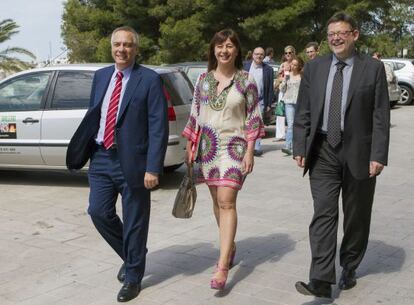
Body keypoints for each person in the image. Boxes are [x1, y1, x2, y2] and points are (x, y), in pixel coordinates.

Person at [66, 26, 168, 302]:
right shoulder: (101, 76)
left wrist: (153, 167)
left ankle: (133, 277)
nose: (122, 49)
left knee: (135, 221)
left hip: (134, 162)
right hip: (101, 157)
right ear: (111, 47)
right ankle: (134, 254)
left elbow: (158, 125)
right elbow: (95, 114)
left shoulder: (148, 79)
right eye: (117, 44)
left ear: (136, 49)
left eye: (128, 45)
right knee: (98, 212)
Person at [293, 12, 390, 299]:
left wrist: (378, 154)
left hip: (359, 151)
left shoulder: (372, 69)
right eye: (331, 33)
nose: (335, 37)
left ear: (355, 35)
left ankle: (349, 264)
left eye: (342, 32)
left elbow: (380, 115)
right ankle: (321, 278)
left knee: (356, 215)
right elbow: (304, 111)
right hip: (322, 149)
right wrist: (300, 145)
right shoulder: (314, 68)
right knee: (323, 211)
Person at [183, 29, 264, 290]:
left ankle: (222, 265)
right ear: (213, 50)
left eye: (229, 46)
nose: (224, 50)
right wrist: (191, 144)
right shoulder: (203, 80)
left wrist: (250, 150)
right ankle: (230, 245)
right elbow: (196, 113)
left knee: (227, 201)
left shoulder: (246, 80)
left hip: (234, 148)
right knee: (217, 203)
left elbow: (253, 116)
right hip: (207, 147)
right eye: (220, 46)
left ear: (237, 50)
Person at [243, 46, 274, 156]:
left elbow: (270, 88)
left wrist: (269, 104)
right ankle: (244, 145)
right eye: (257, 54)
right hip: (244, 100)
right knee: (244, 123)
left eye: (261, 54)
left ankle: (256, 148)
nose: (259, 56)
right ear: (253, 55)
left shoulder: (268, 70)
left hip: (259, 100)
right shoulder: (244, 66)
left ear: (263, 56)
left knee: (256, 123)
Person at [279, 56, 303, 155]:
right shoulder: (288, 75)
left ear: (299, 66)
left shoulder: (302, 76)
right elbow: (282, 89)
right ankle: (288, 146)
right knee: (290, 124)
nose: (293, 66)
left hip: (299, 102)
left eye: (295, 65)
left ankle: (296, 146)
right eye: (292, 64)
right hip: (289, 102)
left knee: (298, 125)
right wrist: (285, 79)